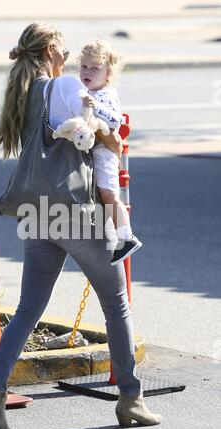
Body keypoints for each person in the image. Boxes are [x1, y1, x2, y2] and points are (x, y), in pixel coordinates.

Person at [0, 22, 162, 429]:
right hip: (76, 211)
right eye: (63, 47)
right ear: (49, 50)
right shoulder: (60, 88)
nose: (68, 54)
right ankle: (131, 398)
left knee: (27, 311)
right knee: (116, 307)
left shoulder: (22, 93)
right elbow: (97, 135)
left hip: (38, 213)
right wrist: (112, 139)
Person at [79, 40, 142, 265]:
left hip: (105, 152)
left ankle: (127, 237)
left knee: (109, 194)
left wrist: (95, 106)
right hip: (94, 150)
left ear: (108, 74)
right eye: (84, 66)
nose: (88, 72)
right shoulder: (86, 91)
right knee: (100, 194)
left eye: (95, 68)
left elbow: (116, 119)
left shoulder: (105, 95)